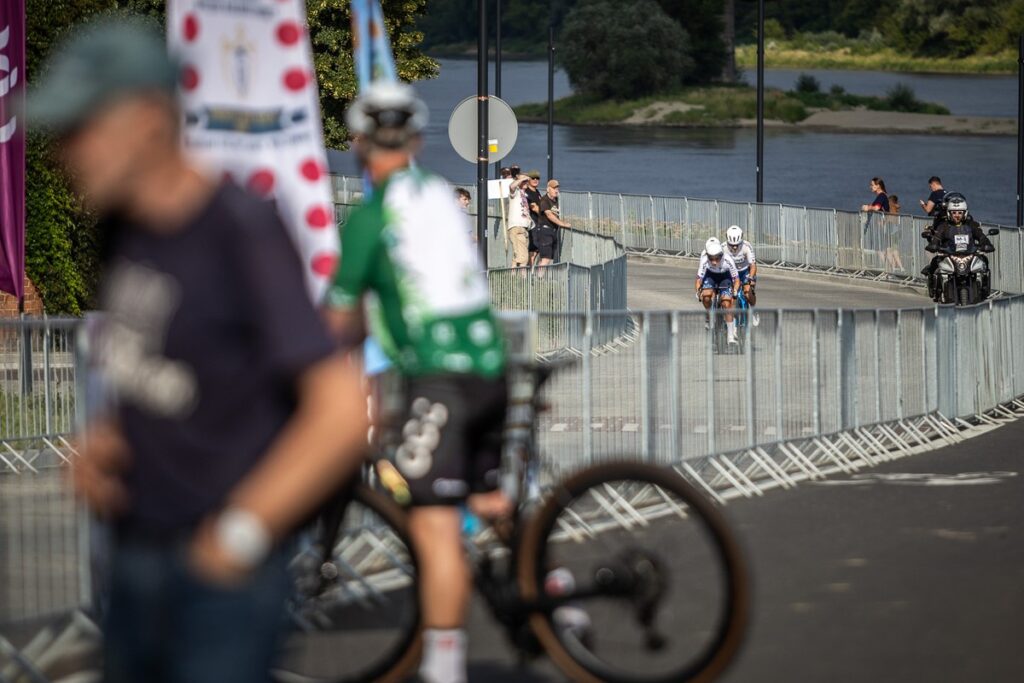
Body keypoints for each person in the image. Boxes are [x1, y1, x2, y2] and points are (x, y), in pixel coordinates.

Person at [28, 19, 369, 683]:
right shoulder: (122, 232)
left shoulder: (240, 227)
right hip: (134, 551)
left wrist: (239, 534)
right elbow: (163, 365)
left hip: (222, 567)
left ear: (149, 121)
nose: (63, 152)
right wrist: (108, 438)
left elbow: (340, 411)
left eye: (82, 129)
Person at [323, 82, 509, 683]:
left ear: (356, 141)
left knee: (434, 529)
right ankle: (551, 594)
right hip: (490, 367)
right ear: (419, 139)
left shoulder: (373, 217)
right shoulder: (437, 195)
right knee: (488, 502)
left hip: (442, 379)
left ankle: (443, 670)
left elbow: (337, 320)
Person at [925, 194, 994, 296]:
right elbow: (937, 237)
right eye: (954, 213)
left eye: (959, 213)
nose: (957, 215)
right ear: (949, 213)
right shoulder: (944, 226)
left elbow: (981, 235)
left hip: (969, 254)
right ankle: (935, 289)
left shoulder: (971, 225)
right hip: (950, 254)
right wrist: (933, 245)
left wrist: (986, 244)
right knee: (935, 262)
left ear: (964, 213)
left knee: (984, 260)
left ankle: (984, 289)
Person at [695, 237, 741, 344]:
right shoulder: (704, 260)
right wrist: (698, 290)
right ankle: (709, 314)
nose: (714, 262)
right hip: (710, 277)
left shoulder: (728, 260)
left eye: (717, 258)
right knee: (706, 296)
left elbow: (737, 279)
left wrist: (734, 290)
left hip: (725, 278)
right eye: (711, 258)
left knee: (727, 303)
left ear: (722, 255)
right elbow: (698, 279)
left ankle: (730, 337)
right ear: (708, 256)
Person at [724, 225, 759, 327]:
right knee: (731, 298)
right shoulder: (723, 248)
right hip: (731, 274)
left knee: (748, 293)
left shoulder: (747, 246)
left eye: (737, 244)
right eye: (732, 245)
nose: (734, 247)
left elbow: (753, 265)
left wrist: (751, 278)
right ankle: (731, 320)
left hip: (745, 272)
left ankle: (753, 310)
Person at [535, 179, 572, 271]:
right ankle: (540, 278)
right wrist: (562, 224)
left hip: (552, 231)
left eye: (557, 188)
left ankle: (537, 277)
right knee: (546, 258)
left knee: (546, 257)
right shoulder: (544, 200)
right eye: (554, 188)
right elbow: (549, 215)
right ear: (548, 189)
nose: (556, 190)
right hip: (545, 230)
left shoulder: (556, 200)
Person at [507, 174, 534, 269]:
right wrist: (522, 178)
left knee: (518, 255)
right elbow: (511, 186)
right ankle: (522, 280)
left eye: (526, 181)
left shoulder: (524, 194)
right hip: (517, 227)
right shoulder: (516, 192)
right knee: (523, 258)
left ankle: (513, 278)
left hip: (524, 228)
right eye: (523, 181)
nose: (525, 182)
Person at [524, 170, 544, 265]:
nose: (535, 180)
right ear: (528, 180)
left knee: (537, 249)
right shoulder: (527, 192)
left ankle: (530, 269)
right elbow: (535, 208)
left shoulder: (537, 191)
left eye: (537, 178)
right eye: (533, 178)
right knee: (532, 249)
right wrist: (547, 214)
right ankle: (529, 271)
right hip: (532, 224)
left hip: (538, 223)